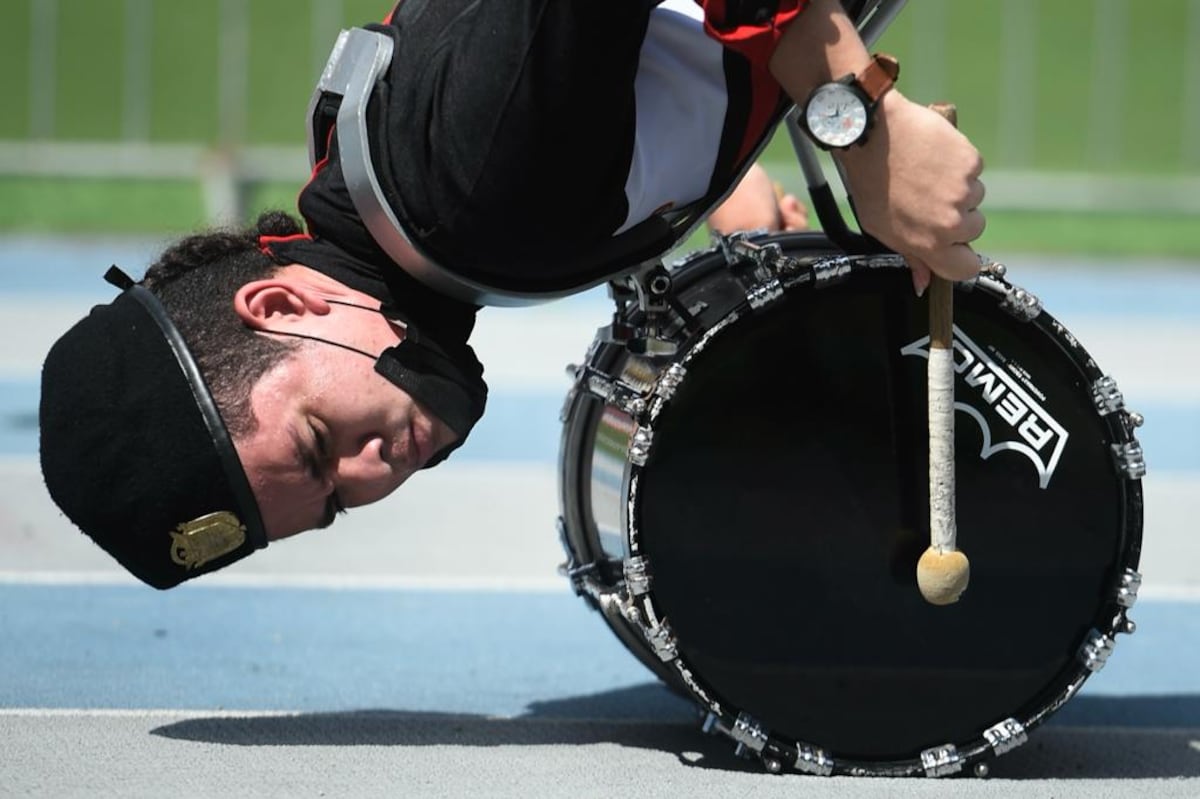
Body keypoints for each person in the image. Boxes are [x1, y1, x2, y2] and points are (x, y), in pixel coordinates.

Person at [39, 0, 985, 589]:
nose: (372, 478)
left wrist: (859, 122)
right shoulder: (382, 192)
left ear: (282, 308)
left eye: (319, 446)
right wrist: (711, 164)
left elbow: (513, 139)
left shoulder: (474, 197)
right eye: (334, 502)